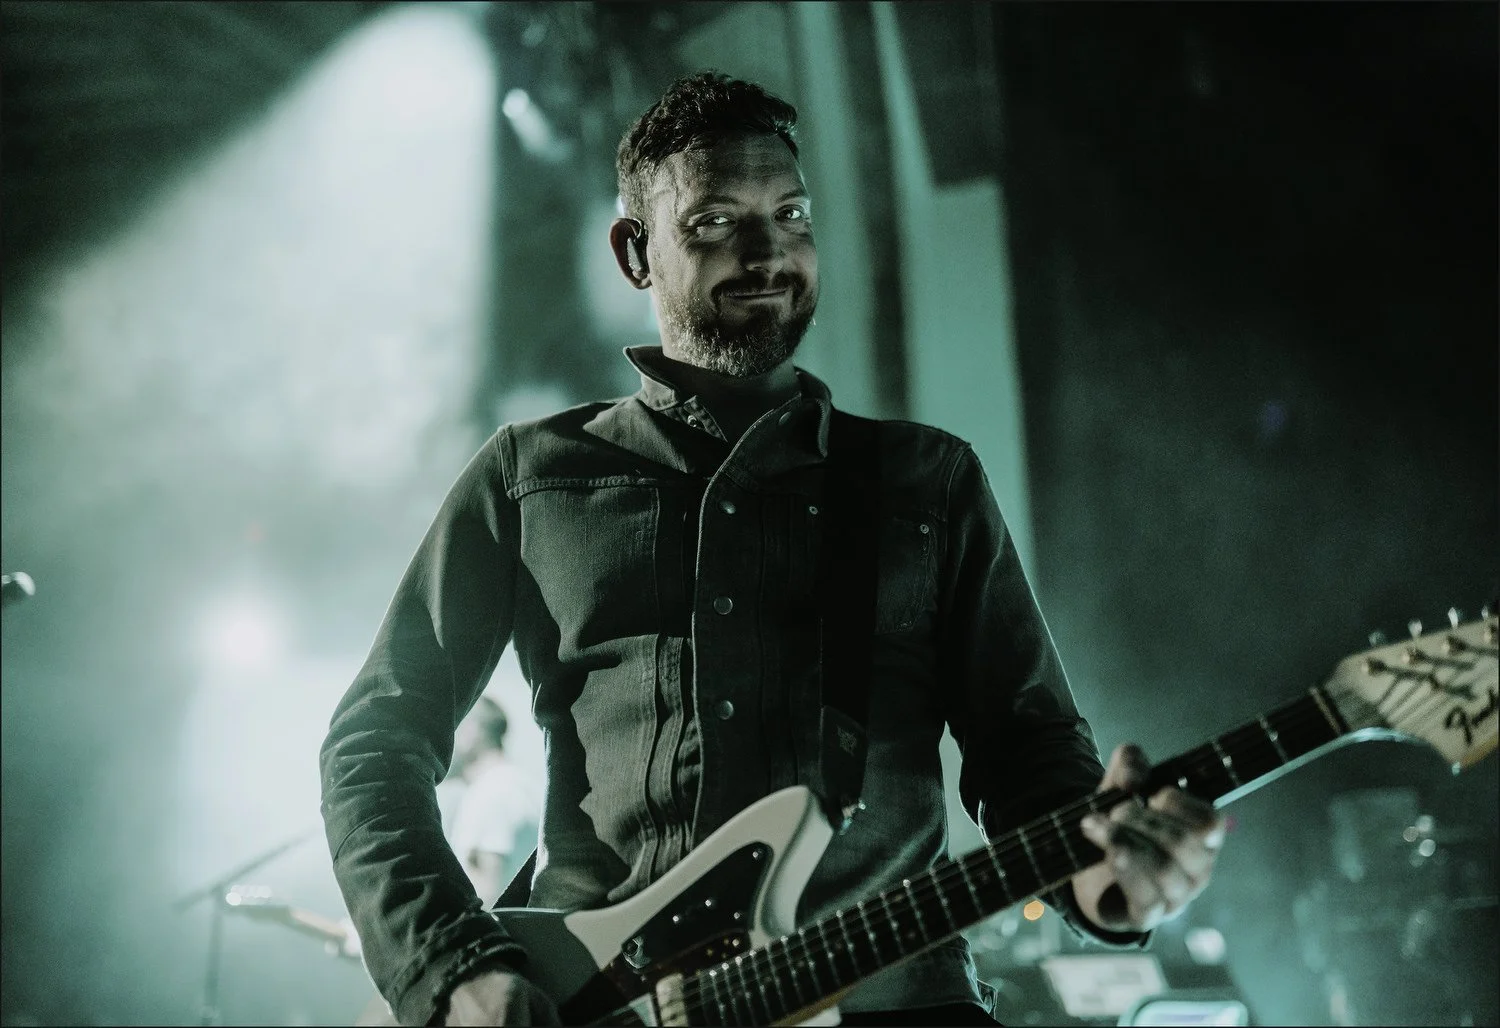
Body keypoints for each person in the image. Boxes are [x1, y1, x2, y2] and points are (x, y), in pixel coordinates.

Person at [319, 72, 1226, 1027]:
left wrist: (1105, 881)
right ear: (636, 253)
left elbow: (1030, 752)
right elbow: (373, 742)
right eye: (714, 222)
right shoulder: (533, 478)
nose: (766, 252)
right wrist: (456, 963)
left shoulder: (928, 479)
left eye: (789, 213)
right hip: (607, 1009)